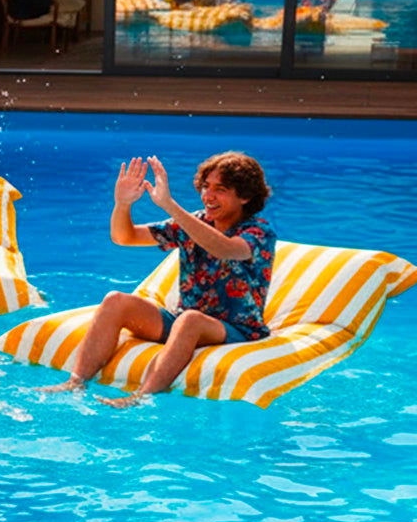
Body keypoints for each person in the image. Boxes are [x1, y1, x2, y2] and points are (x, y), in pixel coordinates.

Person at [41, 152, 275, 408]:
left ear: (245, 196)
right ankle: (75, 382)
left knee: (190, 320)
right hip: (183, 321)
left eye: (220, 190)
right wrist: (122, 204)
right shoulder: (194, 221)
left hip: (236, 329)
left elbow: (227, 249)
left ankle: (140, 396)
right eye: (206, 187)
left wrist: (170, 205)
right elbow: (125, 237)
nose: (208, 196)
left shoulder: (258, 231)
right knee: (115, 301)